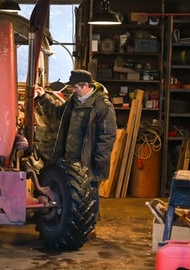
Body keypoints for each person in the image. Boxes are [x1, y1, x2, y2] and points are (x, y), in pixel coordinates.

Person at [34, 69, 117, 231]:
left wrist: (98, 161)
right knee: (73, 194)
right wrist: (43, 96)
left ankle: (89, 227)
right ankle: (75, 225)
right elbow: (58, 112)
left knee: (90, 194)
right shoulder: (73, 101)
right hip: (70, 159)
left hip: (88, 160)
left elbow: (107, 136)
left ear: (86, 86)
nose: (73, 90)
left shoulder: (101, 105)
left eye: (76, 87)